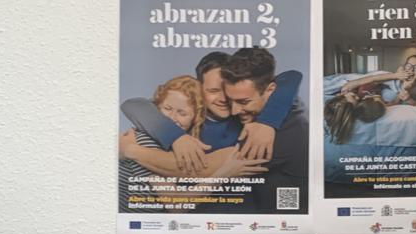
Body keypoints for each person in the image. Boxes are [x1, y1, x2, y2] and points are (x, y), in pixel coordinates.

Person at [120, 51, 304, 175]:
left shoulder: (248, 117)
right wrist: (176, 136)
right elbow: (134, 104)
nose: (225, 100)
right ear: (199, 88)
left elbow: (291, 77)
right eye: (214, 91)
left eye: (228, 91)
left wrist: (267, 122)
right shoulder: (187, 112)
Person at [118, 74, 265, 210]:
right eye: (167, 109)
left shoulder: (169, 146)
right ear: (156, 108)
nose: (172, 118)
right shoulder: (143, 141)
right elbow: (176, 205)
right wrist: (225, 174)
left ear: (196, 118)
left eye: (182, 113)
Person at [218, 46, 309, 213]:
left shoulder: (288, 130)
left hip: (285, 221)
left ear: (270, 90)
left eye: (244, 102)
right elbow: (289, 76)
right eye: (230, 101)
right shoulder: (285, 102)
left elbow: (197, 167)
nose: (234, 111)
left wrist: (152, 154)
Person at [339, 54, 416, 106]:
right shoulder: (395, 79)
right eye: (409, 66)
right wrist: (355, 83)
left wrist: (408, 97)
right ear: (403, 67)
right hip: (375, 86)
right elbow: (374, 78)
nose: (411, 70)